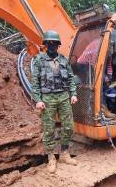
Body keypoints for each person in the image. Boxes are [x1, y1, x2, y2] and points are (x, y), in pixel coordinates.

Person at [31, 30, 78, 173]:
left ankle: (64, 153)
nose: (51, 45)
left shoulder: (64, 60)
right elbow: (35, 82)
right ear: (45, 45)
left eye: (54, 43)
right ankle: (51, 158)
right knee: (49, 129)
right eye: (49, 43)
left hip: (63, 97)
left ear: (58, 45)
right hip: (48, 98)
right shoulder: (39, 60)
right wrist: (38, 100)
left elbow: (70, 78)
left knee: (69, 126)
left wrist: (73, 94)